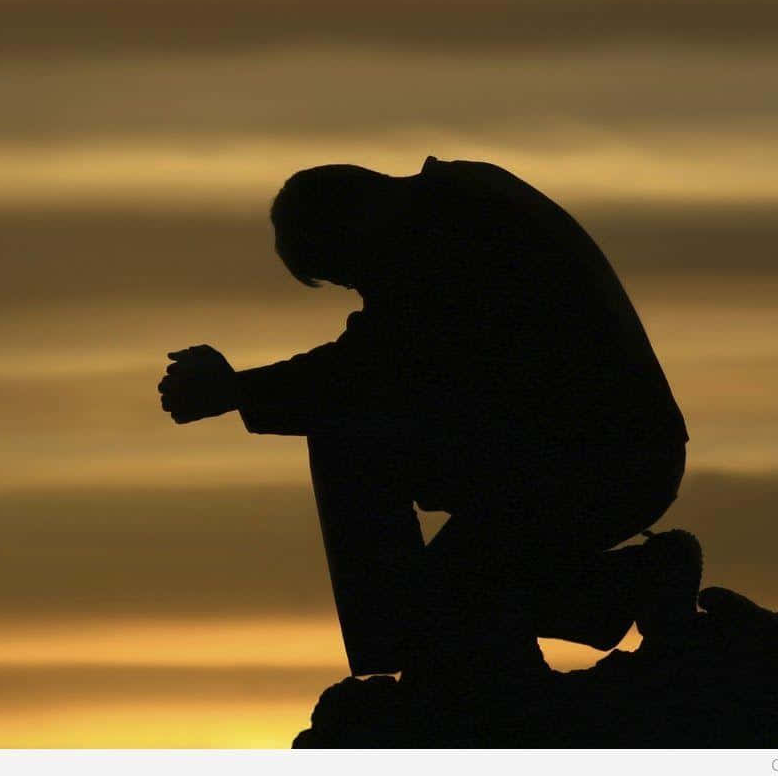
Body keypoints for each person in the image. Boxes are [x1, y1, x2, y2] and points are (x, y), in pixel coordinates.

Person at [157, 156, 699, 679]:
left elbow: (376, 366)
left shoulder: (450, 230)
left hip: (599, 460)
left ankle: (403, 654)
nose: (361, 291)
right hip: (579, 451)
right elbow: (393, 360)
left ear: (355, 225)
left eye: (348, 274)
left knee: (357, 457)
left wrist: (236, 389)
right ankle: (619, 590)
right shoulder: (455, 209)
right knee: (440, 597)